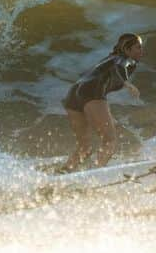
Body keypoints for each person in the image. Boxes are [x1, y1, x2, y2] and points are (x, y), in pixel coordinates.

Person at [61, 33, 144, 170]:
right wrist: (126, 84)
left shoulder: (109, 59)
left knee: (85, 147)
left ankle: (62, 174)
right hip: (91, 91)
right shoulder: (123, 59)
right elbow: (118, 68)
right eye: (138, 48)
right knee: (110, 140)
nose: (141, 51)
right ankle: (96, 173)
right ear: (127, 50)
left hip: (73, 94)